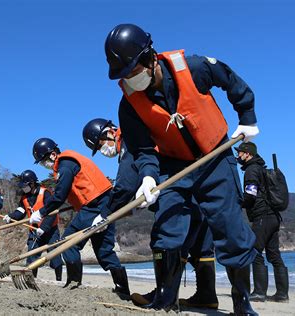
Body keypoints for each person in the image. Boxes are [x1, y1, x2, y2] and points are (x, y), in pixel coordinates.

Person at [104, 23, 258, 314]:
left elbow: (232, 81)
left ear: (150, 58)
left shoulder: (195, 67)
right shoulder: (128, 106)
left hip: (214, 157)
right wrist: (149, 175)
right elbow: (142, 149)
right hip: (172, 167)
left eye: (133, 71)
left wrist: (247, 116)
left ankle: (242, 302)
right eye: (124, 76)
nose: (129, 80)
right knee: (167, 228)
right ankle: (166, 298)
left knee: (231, 229)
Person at [83, 118, 218, 309]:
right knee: (199, 243)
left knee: (165, 239)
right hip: (197, 186)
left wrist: (105, 213)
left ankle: (164, 298)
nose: (103, 150)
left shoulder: (128, 138)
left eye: (100, 144)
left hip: (174, 187)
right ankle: (207, 296)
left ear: (110, 132)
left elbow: (124, 185)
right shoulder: (148, 131)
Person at [29, 137, 130, 299]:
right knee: (104, 250)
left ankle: (74, 282)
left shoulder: (65, 164)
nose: (44, 165)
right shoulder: (68, 162)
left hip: (94, 205)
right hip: (103, 204)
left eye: (43, 161)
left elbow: (60, 195)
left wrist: (41, 212)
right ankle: (123, 290)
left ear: (53, 155)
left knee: (68, 243)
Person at [235, 142, 289, 302]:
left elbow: (250, 196)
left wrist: (237, 203)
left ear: (247, 154)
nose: (238, 156)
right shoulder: (262, 169)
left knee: (255, 251)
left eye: (240, 153)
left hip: (262, 217)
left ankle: (259, 292)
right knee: (274, 254)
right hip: (273, 217)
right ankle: (282, 294)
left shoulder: (251, 170)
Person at [3, 169, 63, 281]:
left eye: (25, 185)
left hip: (50, 230)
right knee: (32, 254)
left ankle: (59, 279)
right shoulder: (24, 197)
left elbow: (52, 212)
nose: (23, 188)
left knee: (55, 255)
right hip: (34, 229)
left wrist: (44, 227)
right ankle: (31, 278)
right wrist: (10, 217)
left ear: (32, 183)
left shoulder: (45, 193)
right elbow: (20, 212)